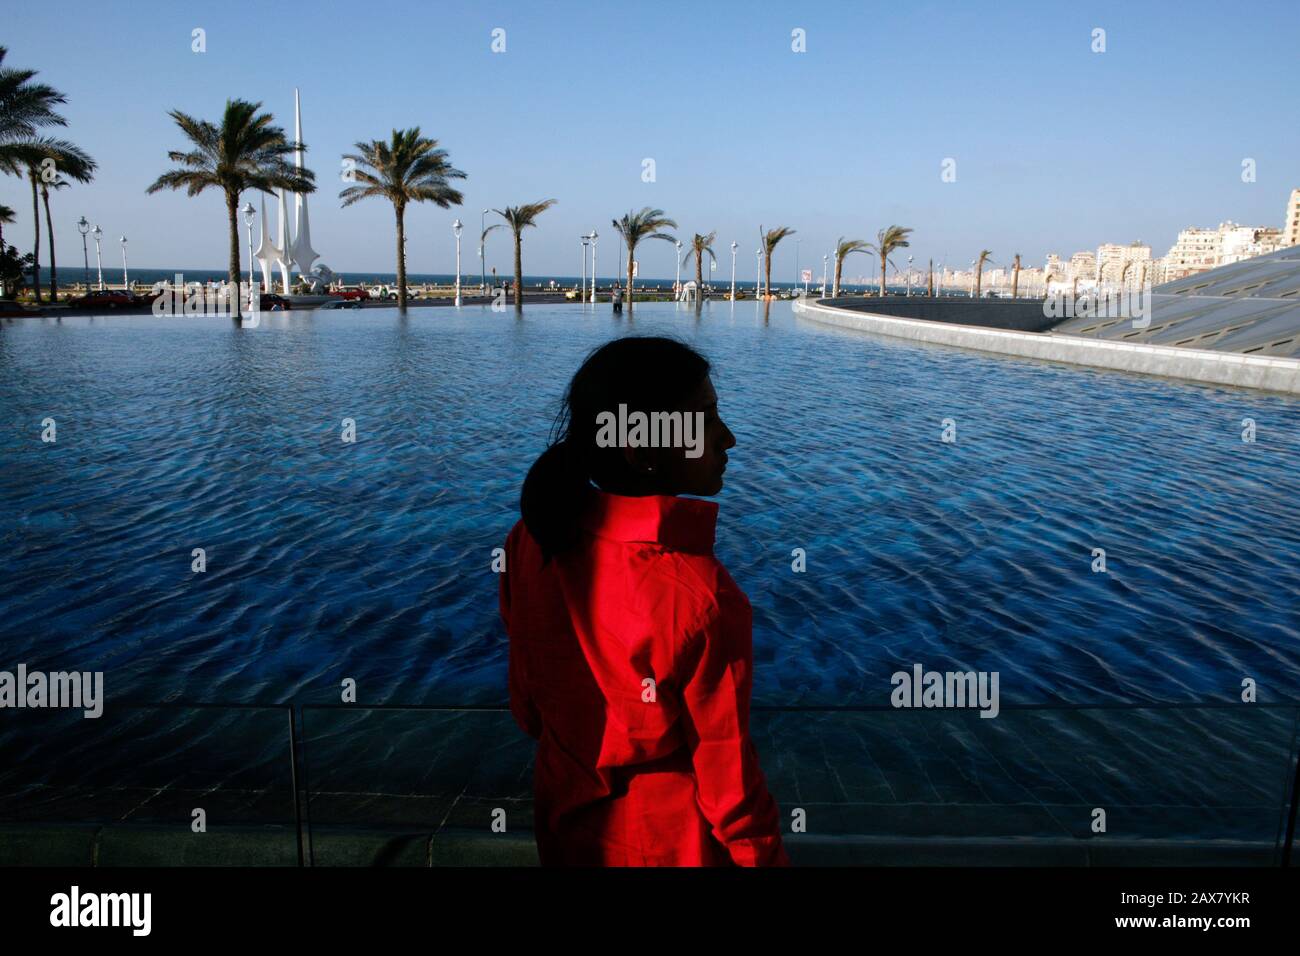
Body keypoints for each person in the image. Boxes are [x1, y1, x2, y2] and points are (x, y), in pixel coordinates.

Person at [499, 337, 790, 867]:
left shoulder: (530, 540)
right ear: (641, 448)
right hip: (668, 846)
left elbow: (528, 708)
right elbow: (732, 793)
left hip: (563, 831)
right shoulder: (701, 598)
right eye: (705, 419)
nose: (728, 437)